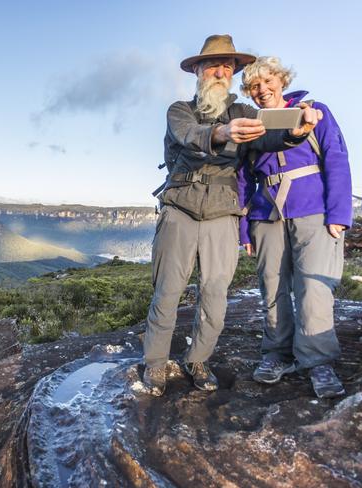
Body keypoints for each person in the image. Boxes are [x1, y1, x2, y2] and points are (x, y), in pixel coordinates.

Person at [143, 35, 323, 396]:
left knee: (215, 295)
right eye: (213, 65)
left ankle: (198, 359)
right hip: (180, 209)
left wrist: (295, 133)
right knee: (168, 291)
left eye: (228, 66)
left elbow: (268, 138)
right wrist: (221, 132)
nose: (221, 71)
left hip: (224, 213)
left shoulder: (244, 112)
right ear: (197, 70)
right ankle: (155, 363)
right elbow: (189, 135)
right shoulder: (179, 110)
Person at [237, 56, 352, 398]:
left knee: (313, 287)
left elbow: (336, 158)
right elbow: (242, 178)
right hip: (265, 215)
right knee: (271, 287)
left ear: (282, 81)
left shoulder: (315, 111)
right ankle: (277, 354)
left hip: (312, 209)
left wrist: (339, 214)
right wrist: (244, 229)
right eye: (254, 86)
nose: (262, 90)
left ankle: (318, 361)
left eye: (268, 82)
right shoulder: (249, 123)